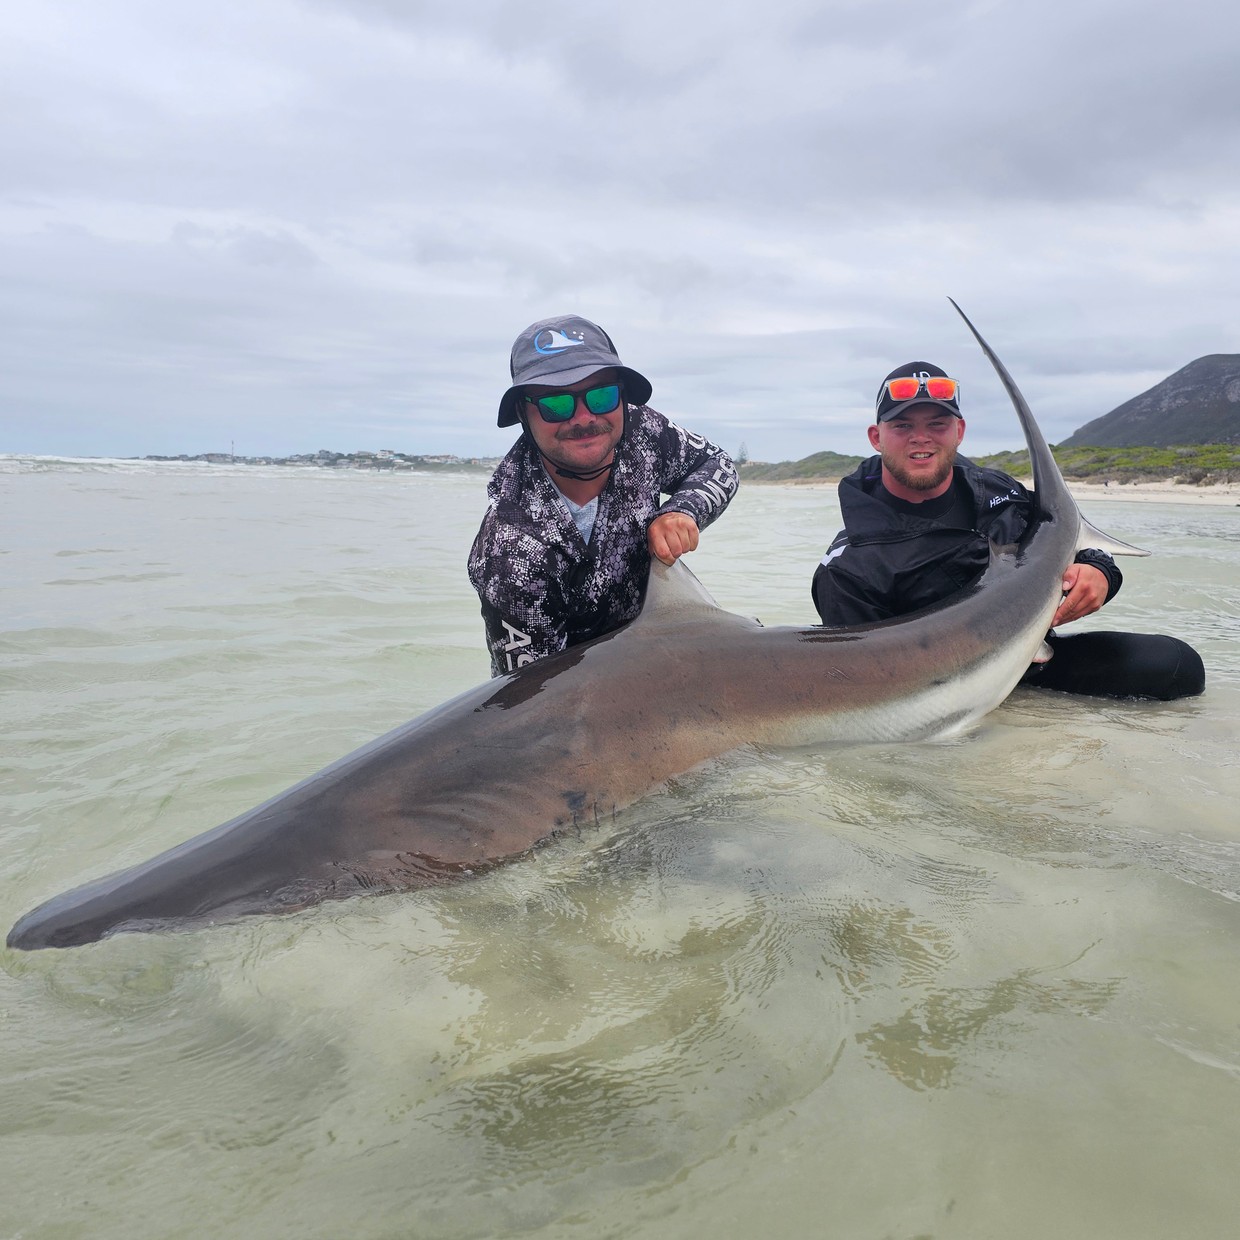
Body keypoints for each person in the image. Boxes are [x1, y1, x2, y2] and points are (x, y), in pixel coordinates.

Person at [811, 361, 1205, 700]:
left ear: (959, 431)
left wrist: (1099, 573)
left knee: (1177, 667)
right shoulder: (848, 569)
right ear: (876, 437)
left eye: (937, 423)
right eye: (902, 425)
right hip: (933, 689)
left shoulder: (997, 492)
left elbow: (1069, 544)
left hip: (1028, 657)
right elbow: (858, 687)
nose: (921, 437)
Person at [469, 314, 738, 676]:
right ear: (523, 412)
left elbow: (718, 463)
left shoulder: (644, 432)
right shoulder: (510, 552)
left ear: (621, 396)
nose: (583, 417)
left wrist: (681, 511)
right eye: (556, 404)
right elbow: (536, 697)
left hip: (666, 648)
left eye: (601, 395)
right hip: (588, 694)